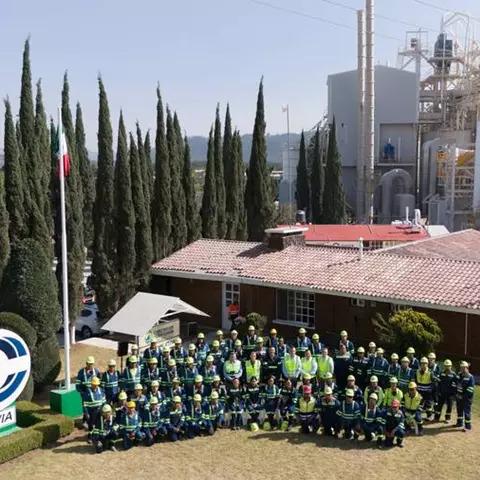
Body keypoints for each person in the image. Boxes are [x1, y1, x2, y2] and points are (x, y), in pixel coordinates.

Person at [82, 377, 106, 442]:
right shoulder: (87, 392)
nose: (95, 386)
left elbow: (104, 401)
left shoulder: (101, 390)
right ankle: (90, 437)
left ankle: (97, 436)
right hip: (91, 411)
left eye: (96, 385)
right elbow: (85, 404)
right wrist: (86, 413)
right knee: (91, 425)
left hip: (100, 410)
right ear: (91, 384)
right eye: (94, 384)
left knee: (99, 424)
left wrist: (104, 410)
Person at [456, 360, 475, 431]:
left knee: (466, 412)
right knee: (459, 410)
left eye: (464, 368)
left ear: (467, 368)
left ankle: (467, 427)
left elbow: (470, 389)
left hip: (467, 398)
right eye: (461, 368)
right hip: (459, 397)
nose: (462, 369)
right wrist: (457, 394)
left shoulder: (470, 377)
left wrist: (463, 396)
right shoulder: (459, 375)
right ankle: (459, 423)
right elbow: (456, 385)